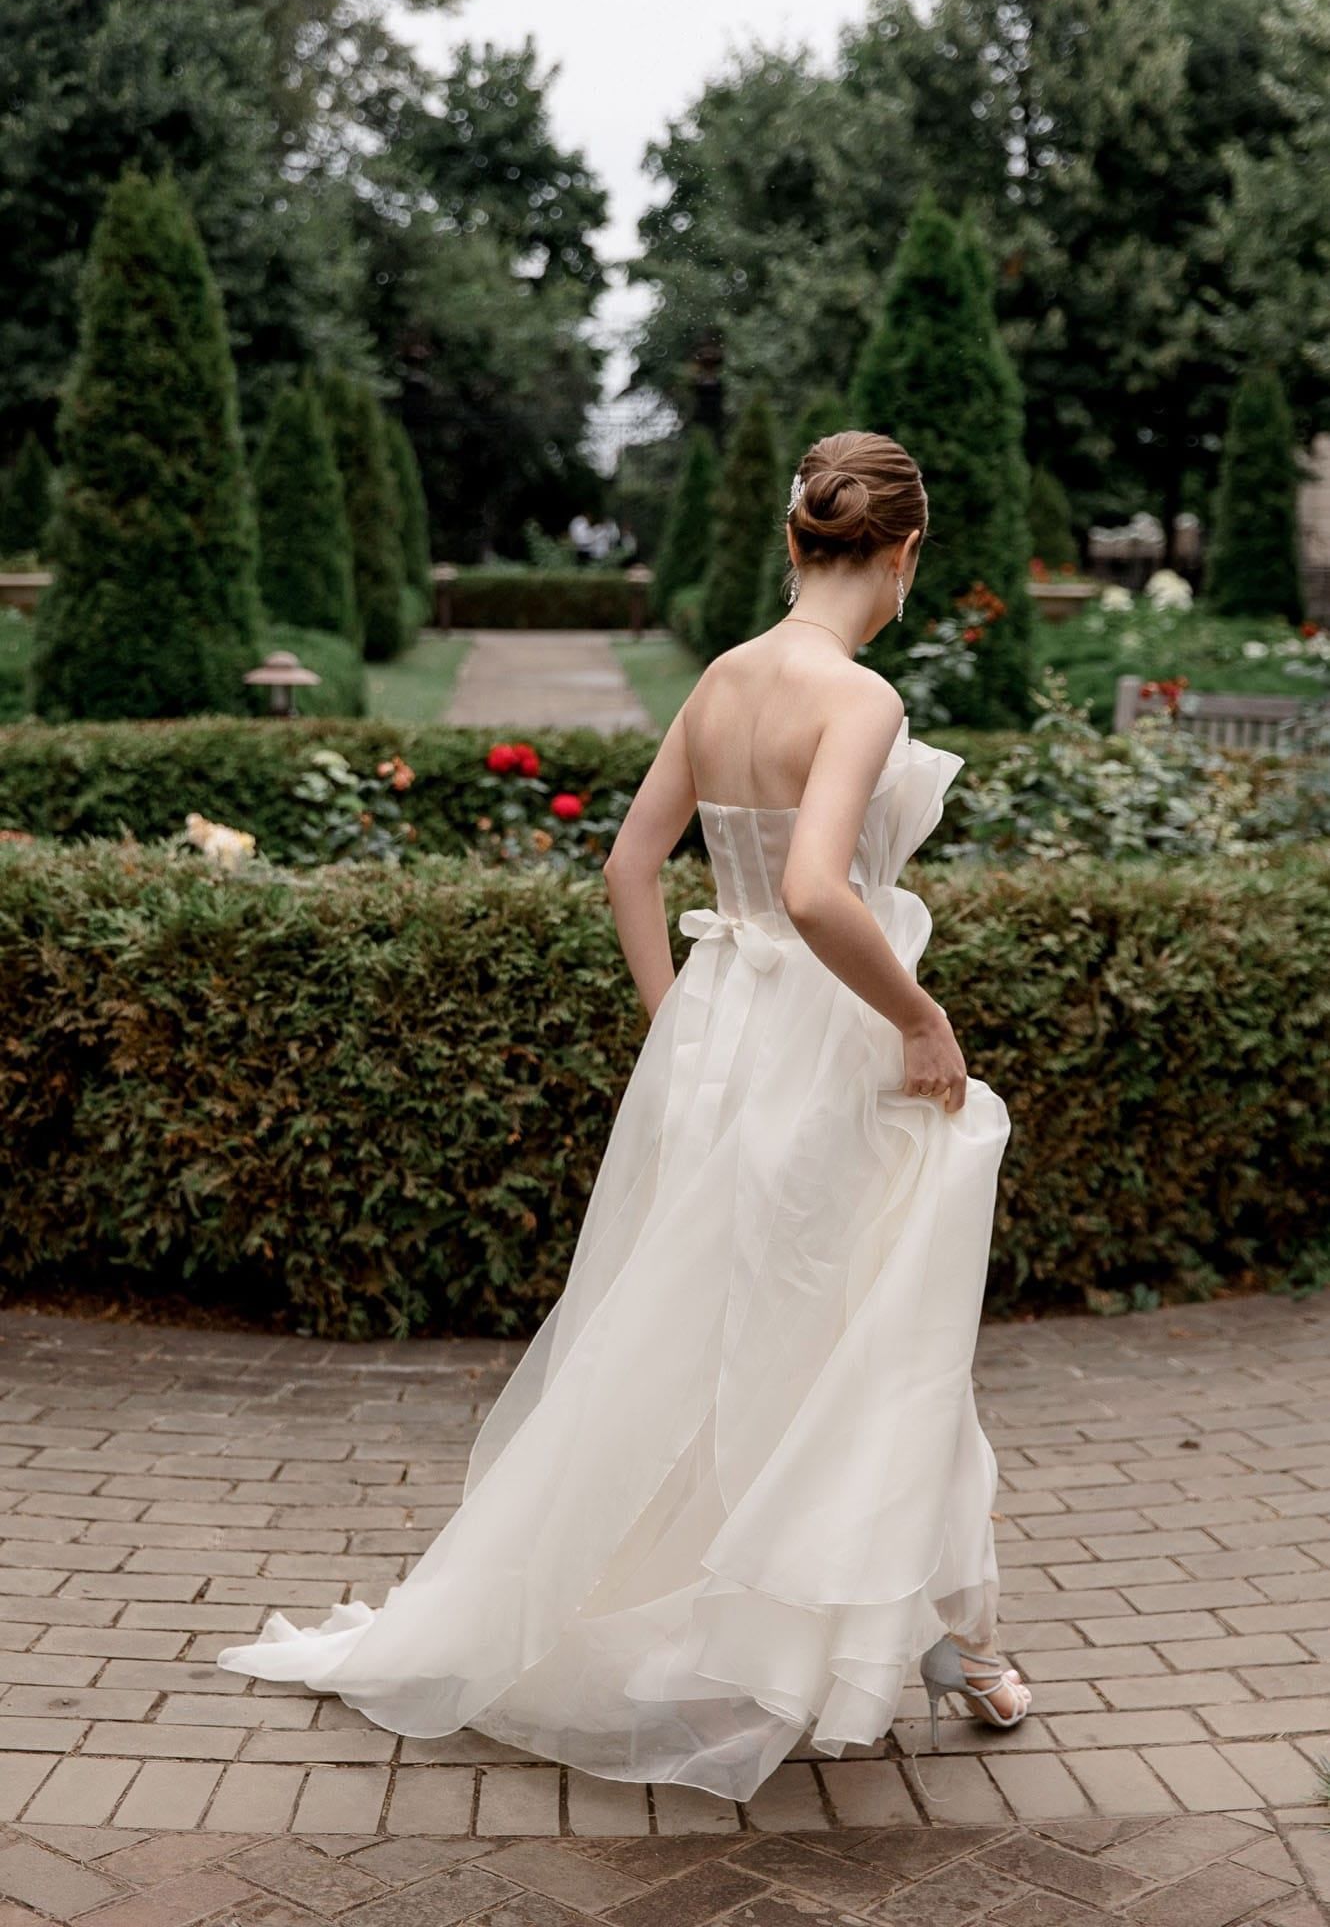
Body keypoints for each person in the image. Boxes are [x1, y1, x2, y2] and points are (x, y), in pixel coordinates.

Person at [218, 430, 1031, 1801]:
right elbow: (826, 894)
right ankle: (941, 1640)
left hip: (728, 1041)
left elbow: (627, 863)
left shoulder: (721, 681)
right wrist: (918, 1017)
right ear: (901, 555)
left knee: (734, 1334)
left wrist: (681, 1020)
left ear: (793, 543)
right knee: (877, 1328)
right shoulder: (858, 698)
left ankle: (925, 1635)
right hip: (829, 1051)